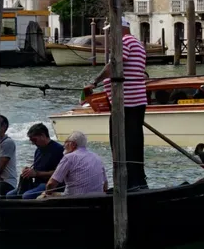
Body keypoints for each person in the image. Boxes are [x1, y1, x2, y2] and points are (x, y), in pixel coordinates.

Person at [89, 22, 148, 190]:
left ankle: (128, 184)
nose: (109, 35)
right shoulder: (136, 43)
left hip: (125, 103)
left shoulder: (124, 42)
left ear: (120, 29)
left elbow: (114, 65)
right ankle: (135, 182)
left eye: (110, 31)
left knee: (120, 144)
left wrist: (94, 81)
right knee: (134, 143)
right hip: (134, 101)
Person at [39, 131, 107, 198]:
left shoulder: (69, 157)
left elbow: (51, 184)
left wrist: (47, 193)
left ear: (73, 144)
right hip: (98, 200)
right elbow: (105, 184)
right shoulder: (96, 156)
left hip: (74, 201)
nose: (64, 145)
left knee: (41, 196)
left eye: (66, 142)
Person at [9, 123, 64, 198]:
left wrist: (37, 174)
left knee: (27, 196)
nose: (33, 143)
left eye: (34, 140)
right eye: (31, 140)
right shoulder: (38, 150)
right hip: (37, 183)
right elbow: (37, 168)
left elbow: (60, 172)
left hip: (50, 184)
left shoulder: (58, 149)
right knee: (10, 195)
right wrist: (28, 171)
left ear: (43, 136)